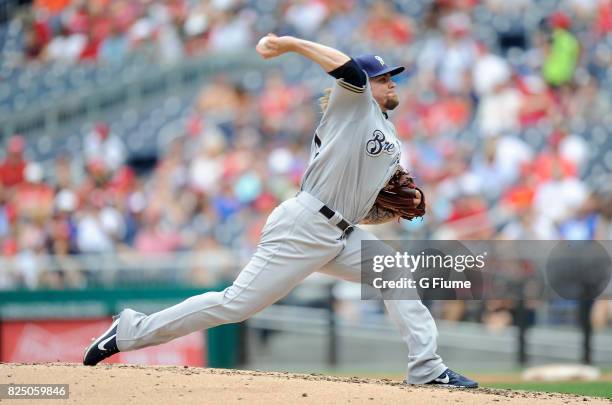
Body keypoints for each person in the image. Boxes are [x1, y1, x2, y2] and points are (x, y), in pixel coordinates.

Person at [83, 34, 478, 388]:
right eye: (382, 77)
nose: (391, 81)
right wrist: (290, 42)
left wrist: (385, 214)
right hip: (304, 225)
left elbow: (362, 206)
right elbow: (347, 68)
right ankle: (130, 330)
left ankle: (427, 369)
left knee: (393, 272)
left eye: (391, 76)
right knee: (236, 305)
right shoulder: (353, 104)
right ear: (366, 86)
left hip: (340, 231)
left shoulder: (387, 131)